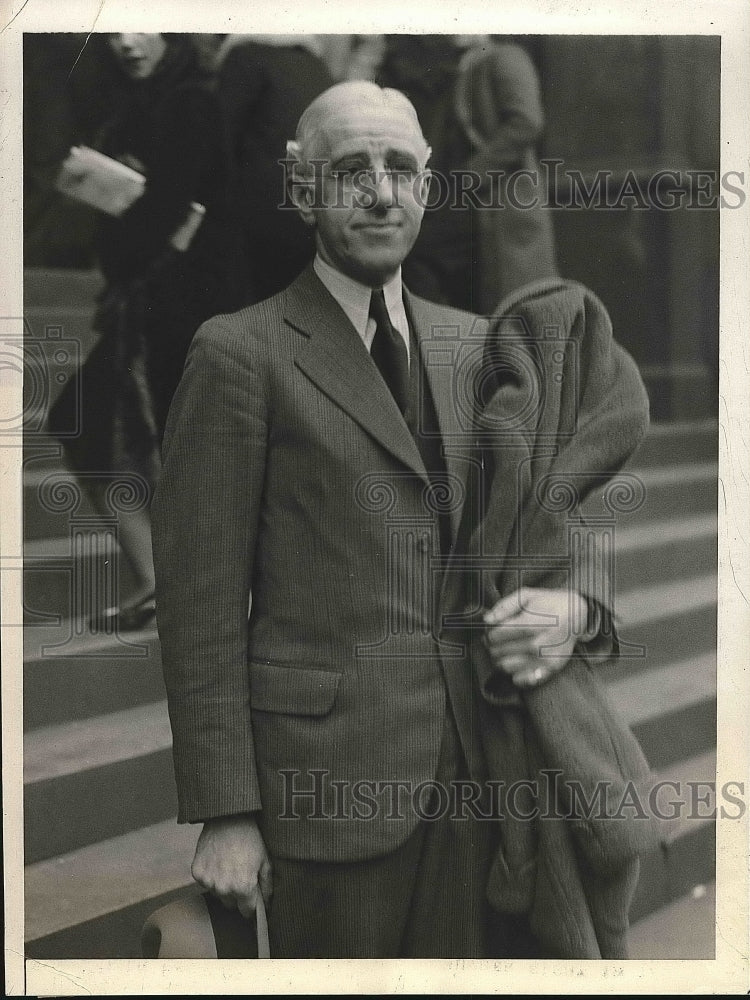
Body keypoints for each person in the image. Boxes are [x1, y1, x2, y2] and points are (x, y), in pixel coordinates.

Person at [151, 81, 643, 958]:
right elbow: (201, 607)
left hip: (488, 778)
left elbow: (546, 519)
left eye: (402, 169)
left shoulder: (476, 344)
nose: (382, 192)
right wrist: (227, 812)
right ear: (303, 192)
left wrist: (579, 612)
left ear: (427, 185)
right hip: (331, 795)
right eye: (350, 171)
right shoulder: (239, 353)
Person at [48, 33, 243, 630]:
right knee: (90, 420)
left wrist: (131, 208)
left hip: (178, 306)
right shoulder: (133, 103)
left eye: (142, 26)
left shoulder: (189, 101)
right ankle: (162, 580)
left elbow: (173, 214)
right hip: (148, 302)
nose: (126, 42)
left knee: (126, 429)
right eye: (114, 30)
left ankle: (178, 585)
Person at [378, 34, 558, 313]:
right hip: (466, 201)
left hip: (496, 201)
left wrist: (466, 177)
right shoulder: (461, 63)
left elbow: (526, 123)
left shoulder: (504, 58)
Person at [215, 34, 333, 304]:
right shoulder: (315, 65)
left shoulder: (246, 58)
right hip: (310, 219)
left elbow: (219, 142)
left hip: (258, 223)